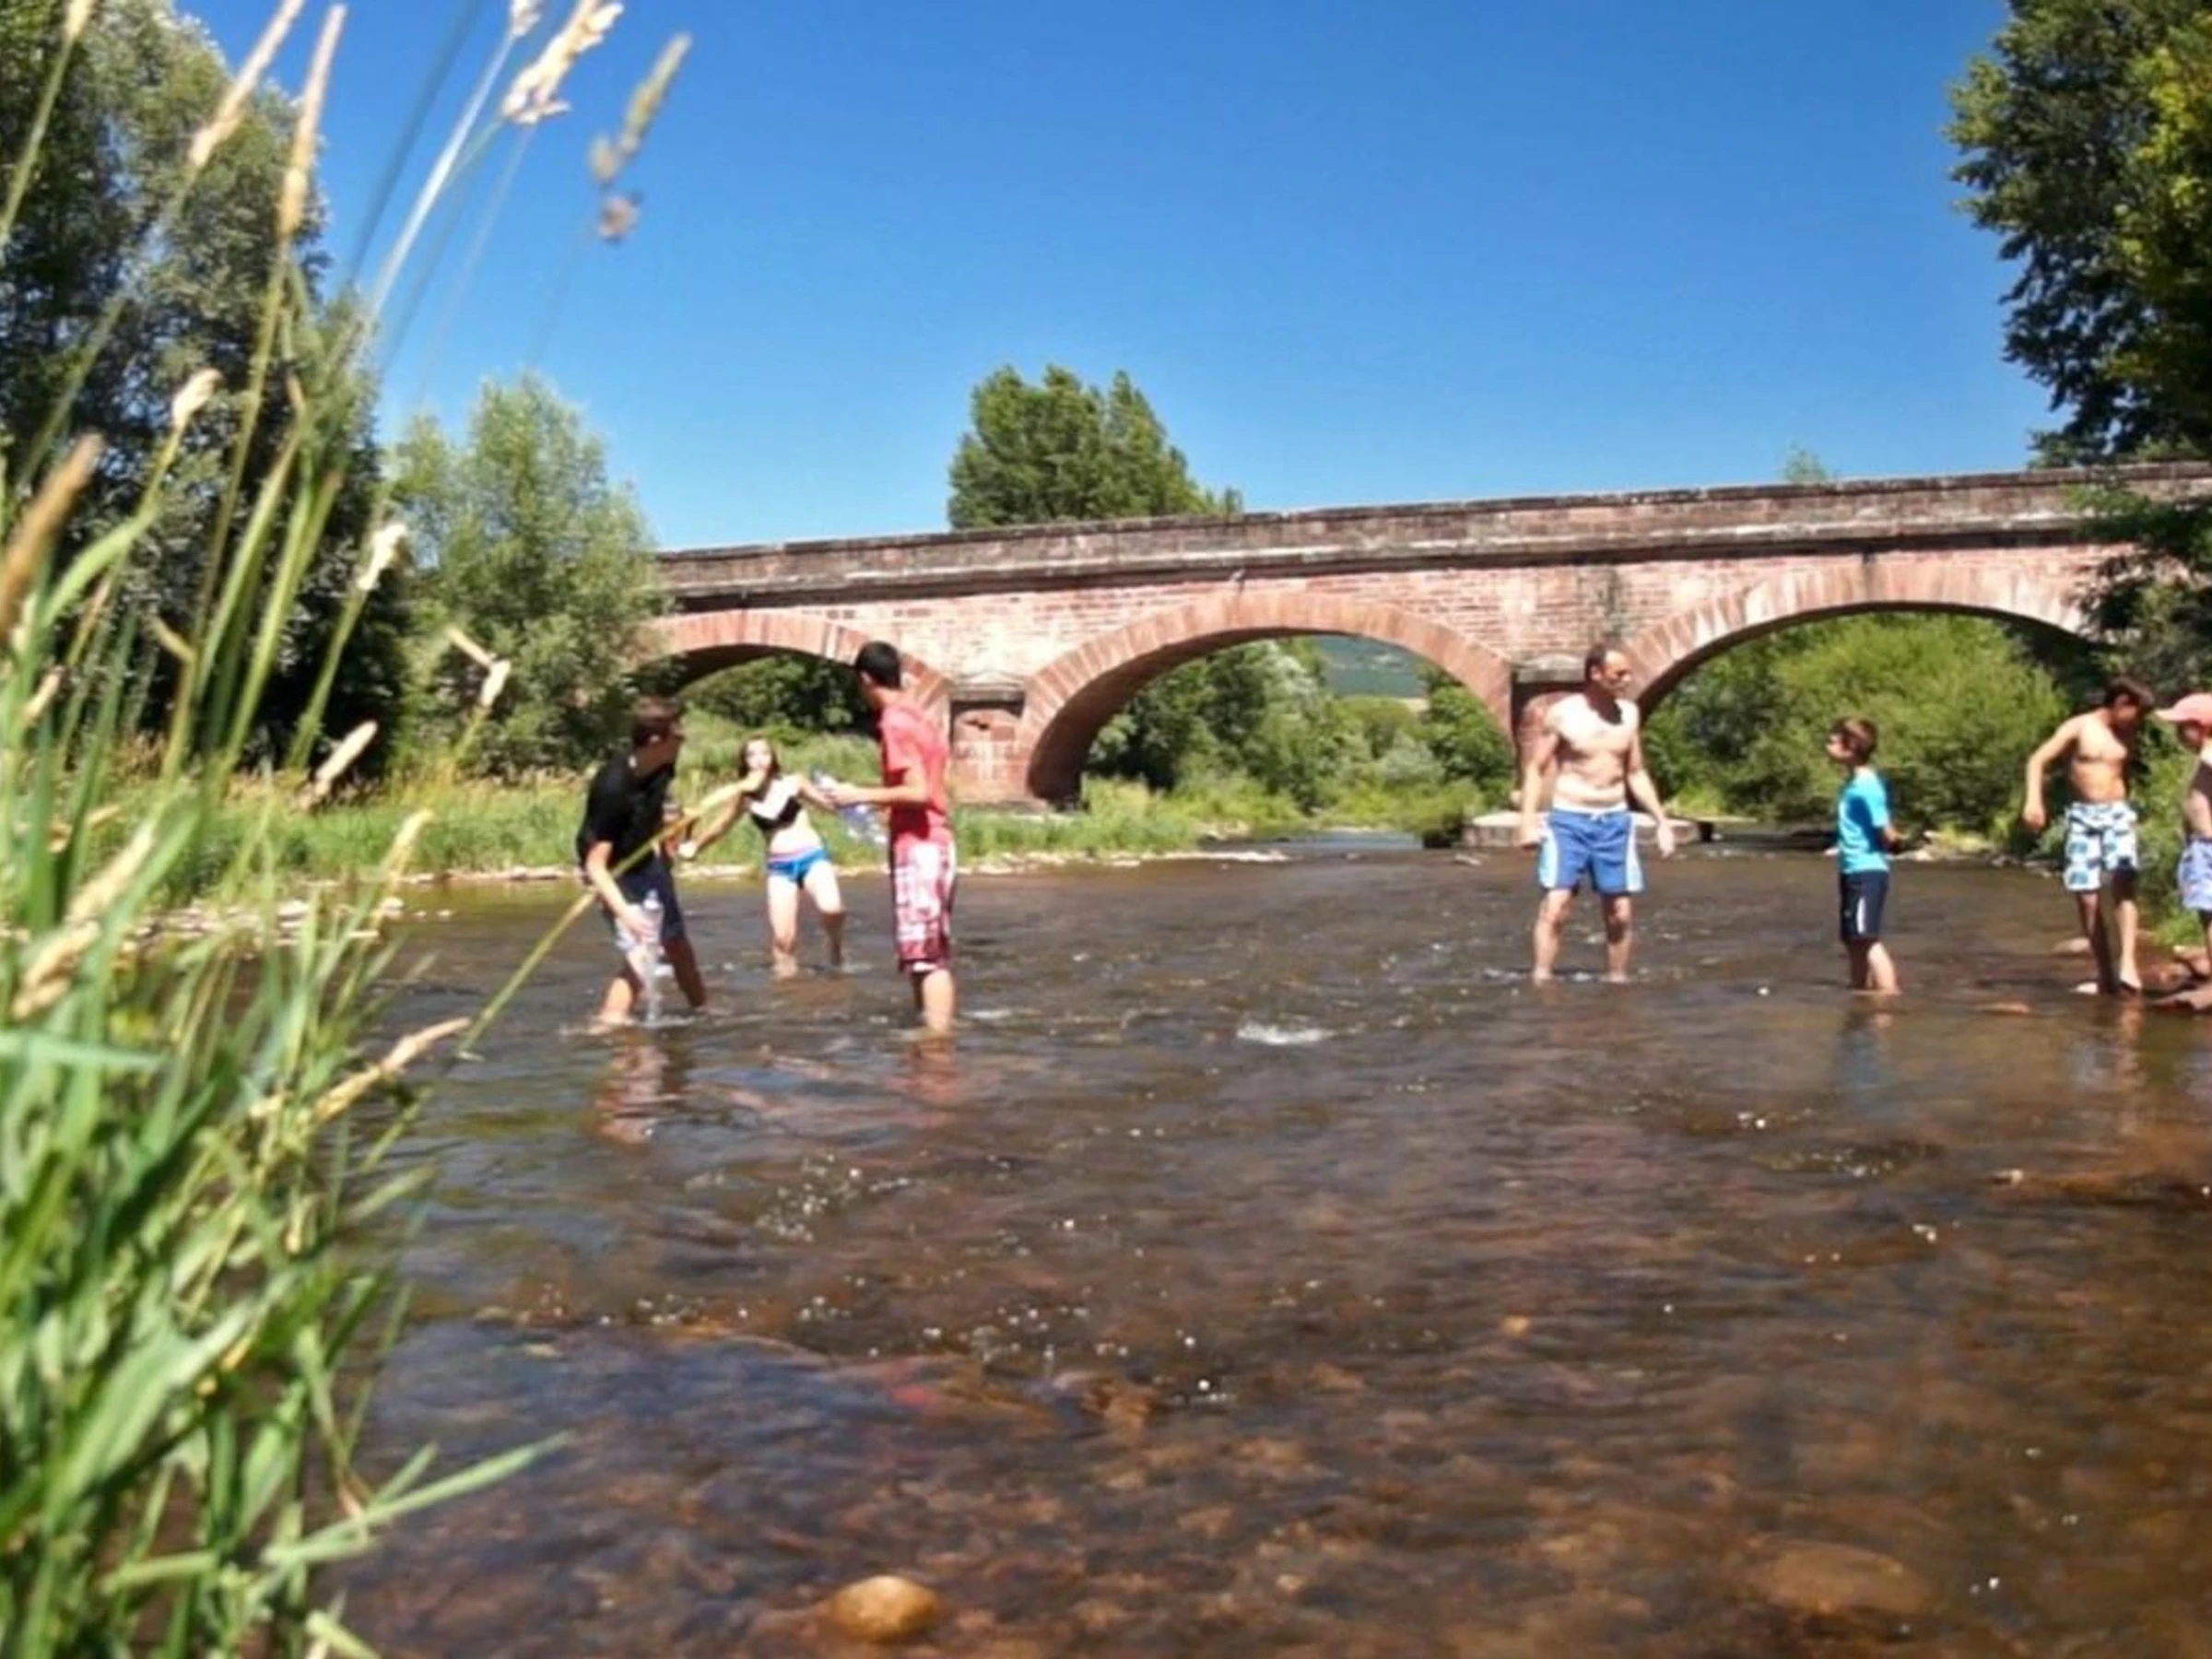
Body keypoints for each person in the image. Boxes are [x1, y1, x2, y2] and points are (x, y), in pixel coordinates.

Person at [1514, 642, 1677, 983]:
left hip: (1614, 821)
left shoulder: (1629, 715)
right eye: (1619, 674)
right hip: (1568, 820)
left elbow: (1636, 772)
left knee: (1620, 913)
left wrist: (1662, 822)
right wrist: (1527, 823)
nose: (1627, 680)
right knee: (1557, 906)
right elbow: (1535, 769)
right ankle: (1541, 980)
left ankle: (1617, 982)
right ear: (1595, 673)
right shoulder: (1563, 714)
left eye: (1629, 673)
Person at [824, 641, 957, 1033]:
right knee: (923, 952)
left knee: (927, 957)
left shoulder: (895, 722)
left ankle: (936, 1044)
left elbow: (919, 792)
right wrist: (883, 808)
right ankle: (928, 1035)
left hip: (920, 846)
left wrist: (857, 794)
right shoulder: (919, 715)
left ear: (866, 679)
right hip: (935, 841)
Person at [576, 696, 708, 1026]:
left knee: (676, 944)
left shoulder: (663, 765)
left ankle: (703, 1013)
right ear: (654, 741)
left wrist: (666, 855)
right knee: (642, 953)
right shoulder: (613, 786)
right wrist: (626, 914)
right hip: (612, 872)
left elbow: (656, 812)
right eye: (677, 733)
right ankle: (608, 1026)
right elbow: (595, 864)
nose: (683, 739)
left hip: (648, 863)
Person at [2021, 677, 2153, 994]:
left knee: (2124, 883)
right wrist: (2034, 800)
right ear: (2120, 703)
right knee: (2086, 895)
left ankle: (2128, 964)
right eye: (2135, 712)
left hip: (2117, 813)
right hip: (2083, 817)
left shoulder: (2129, 731)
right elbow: (2037, 760)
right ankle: (2105, 972)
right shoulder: (2079, 727)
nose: (2138, 720)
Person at [692, 734, 847, 977]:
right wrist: (696, 845)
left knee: (832, 908)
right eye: (751, 755)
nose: (759, 759)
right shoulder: (745, 798)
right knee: (783, 940)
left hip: (812, 857)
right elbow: (721, 826)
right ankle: (786, 987)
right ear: (745, 762)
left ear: (773, 757)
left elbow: (830, 806)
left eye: (764, 753)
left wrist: (844, 798)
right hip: (780, 869)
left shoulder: (794, 782)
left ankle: (834, 944)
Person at [1826, 716, 1902, 994]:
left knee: (1866, 937)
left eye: (1836, 739)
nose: (1830, 742)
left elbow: (1886, 830)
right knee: (1852, 938)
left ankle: (1889, 996)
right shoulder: (1854, 783)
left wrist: (1895, 843)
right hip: (1852, 869)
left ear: (1852, 746)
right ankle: (1859, 992)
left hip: (1866, 870)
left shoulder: (1867, 785)